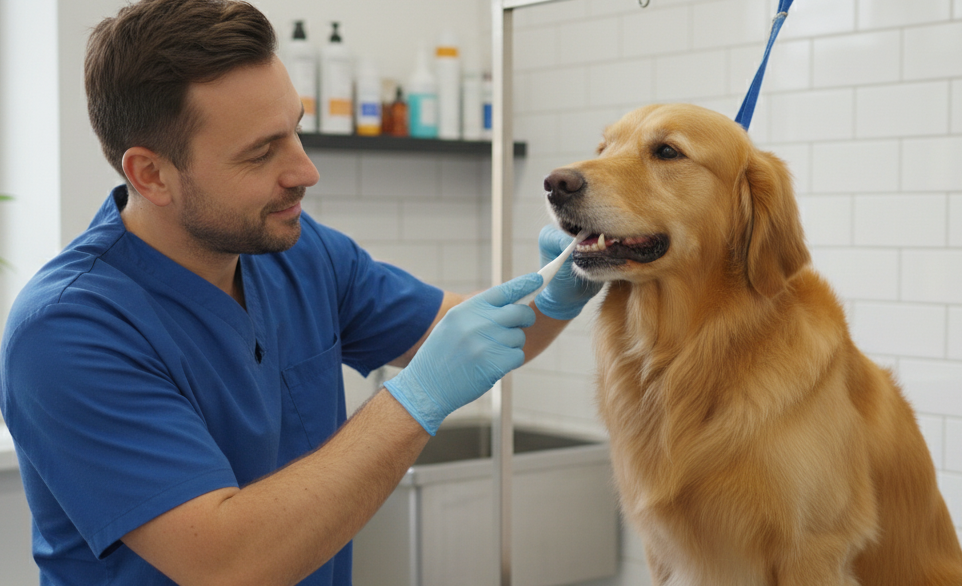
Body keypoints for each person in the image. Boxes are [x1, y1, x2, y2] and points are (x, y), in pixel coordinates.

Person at [0, 1, 602, 585]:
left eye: (295, 131)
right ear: (150, 174)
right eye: (262, 152)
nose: (305, 171)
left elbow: (467, 332)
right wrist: (415, 399)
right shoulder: (67, 331)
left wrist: (561, 290)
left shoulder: (297, 252)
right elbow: (228, 566)